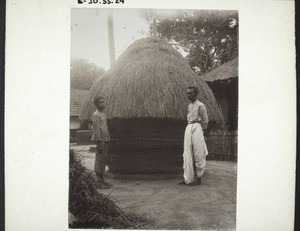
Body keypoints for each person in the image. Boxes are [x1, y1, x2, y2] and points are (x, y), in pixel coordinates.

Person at [179, 86, 209, 186]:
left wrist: (204, 134)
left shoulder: (201, 105)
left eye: (191, 93)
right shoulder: (189, 106)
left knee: (198, 152)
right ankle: (188, 178)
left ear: (196, 94)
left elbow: (205, 120)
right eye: (187, 93)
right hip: (189, 127)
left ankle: (199, 178)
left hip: (197, 128)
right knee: (187, 153)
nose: (189, 95)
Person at [91, 96, 113, 189]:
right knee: (99, 159)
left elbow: (105, 127)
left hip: (105, 139)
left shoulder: (103, 114)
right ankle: (98, 181)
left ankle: (102, 180)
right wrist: (99, 141)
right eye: (101, 102)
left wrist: (108, 138)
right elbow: (96, 129)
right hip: (100, 140)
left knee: (103, 159)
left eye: (104, 102)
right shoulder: (96, 115)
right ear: (96, 105)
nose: (103, 104)